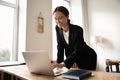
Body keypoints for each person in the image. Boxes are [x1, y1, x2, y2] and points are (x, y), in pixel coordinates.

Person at [52, 6, 97, 70]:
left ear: (67, 17)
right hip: (73, 58)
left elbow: (78, 49)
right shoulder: (57, 28)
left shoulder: (78, 30)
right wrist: (58, 64)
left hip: (87, 56)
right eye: (55, 18)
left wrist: (64, 63)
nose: (57, 21)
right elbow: (60, 46)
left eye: (60, 18)